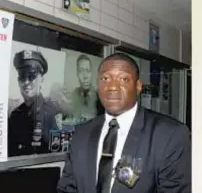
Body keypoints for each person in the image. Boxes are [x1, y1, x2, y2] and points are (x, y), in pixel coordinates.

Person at [57, 53, 191, 193]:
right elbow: (67, 188)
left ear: (138, 86)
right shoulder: (82, 133)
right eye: (105, 78)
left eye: (123, 79)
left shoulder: (169, 135)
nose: (112, 86)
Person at [8, 50, 62, 157]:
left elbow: (58, 155)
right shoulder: (15, 116)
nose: (26, 82)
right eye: (22, 77)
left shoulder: (52, 112)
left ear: (41, 79)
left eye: (31, 76)